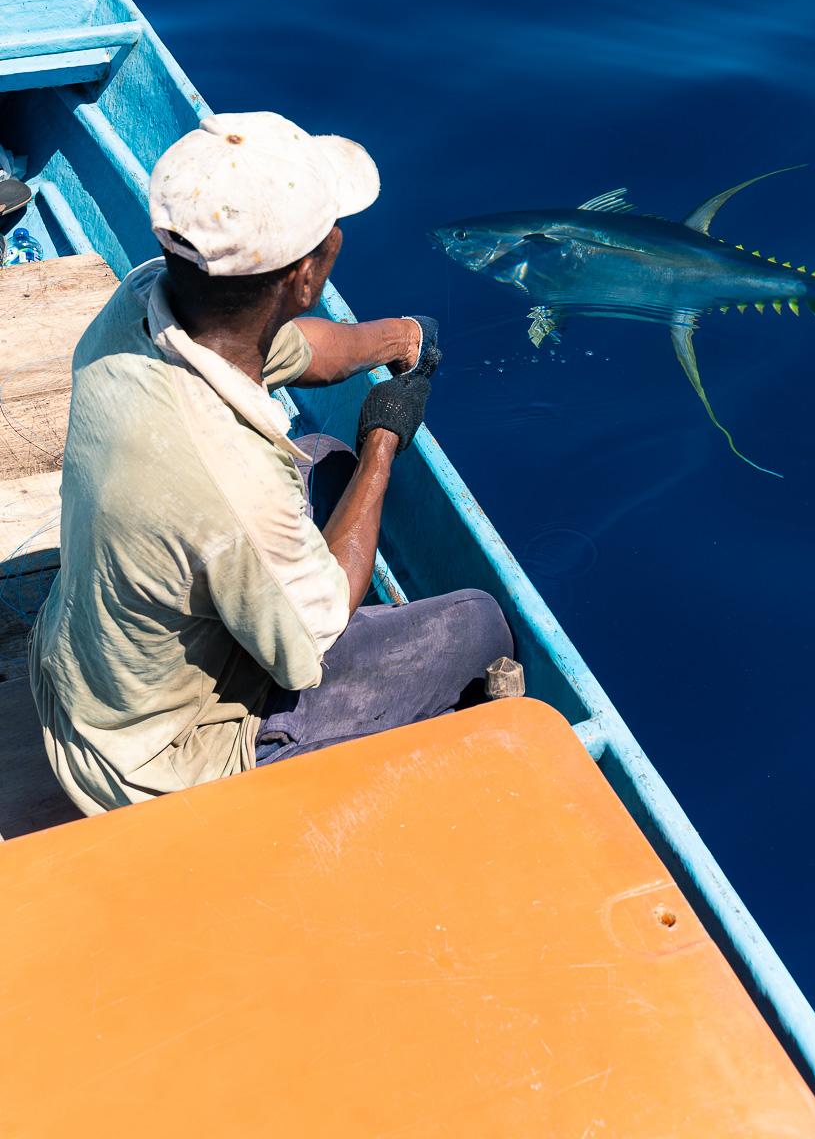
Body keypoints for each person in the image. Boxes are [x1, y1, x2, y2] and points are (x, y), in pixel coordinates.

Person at [29, 111, 512, 815]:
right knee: (474, 622)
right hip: (151, 767)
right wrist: (383, 442)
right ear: (309, 271)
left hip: (84, 677)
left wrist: (395, 339)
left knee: (321, 458)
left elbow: (301, 349)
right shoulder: (230, 482)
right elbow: (312, 640)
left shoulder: (142, 304)